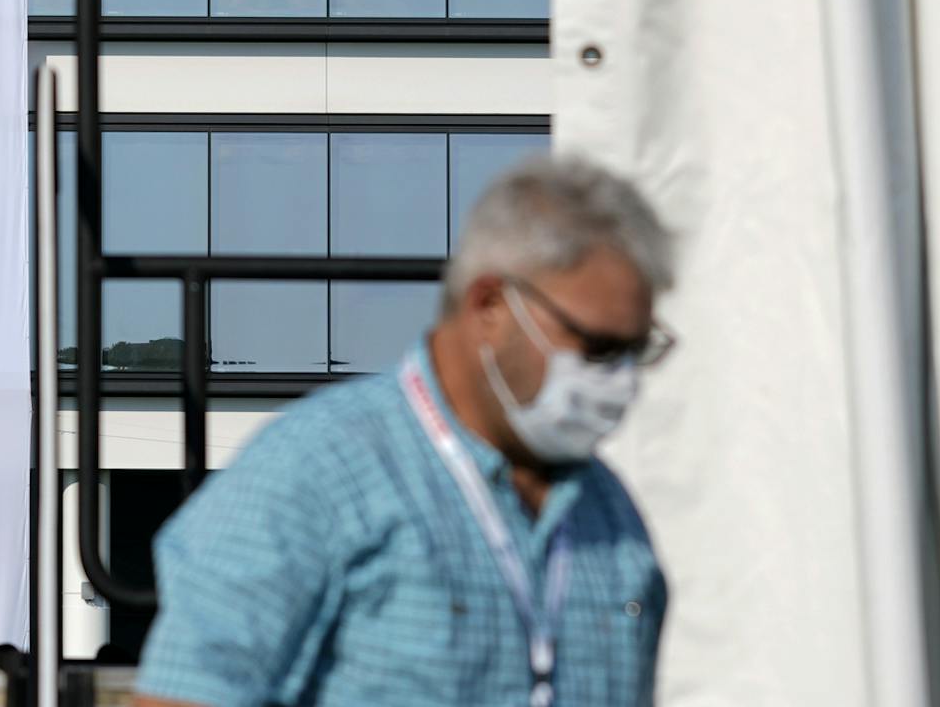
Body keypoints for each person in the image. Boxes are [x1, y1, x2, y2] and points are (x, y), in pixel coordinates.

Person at [134, 155, 677, 707]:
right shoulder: (315, 471)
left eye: (636, 352)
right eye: (598, 347)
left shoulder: (610, 514)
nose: (621, 379)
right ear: (489, 305)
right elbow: (181, 695)